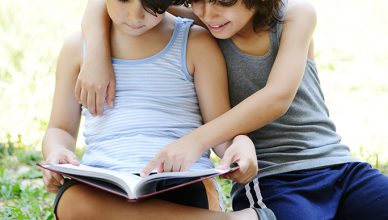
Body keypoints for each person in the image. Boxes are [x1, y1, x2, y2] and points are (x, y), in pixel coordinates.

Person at [77, 0, 388, 219]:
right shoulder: (207, 23)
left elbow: (277, 97)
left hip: (340, 167)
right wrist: (95, 57)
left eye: (223, 1)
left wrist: (197, 140)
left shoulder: (295, 16)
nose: (209, 13)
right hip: (271, 179)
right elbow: (102, 4)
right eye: (197, 0)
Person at [41, 0, 260, 219]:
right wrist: (56, 151)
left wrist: (240, 143)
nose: (136, 15)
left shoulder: (195, 42)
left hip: (180, 181)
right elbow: (60, 129)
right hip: (106, 184)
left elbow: (219, 130)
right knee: (71, 200)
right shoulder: (77, 49)